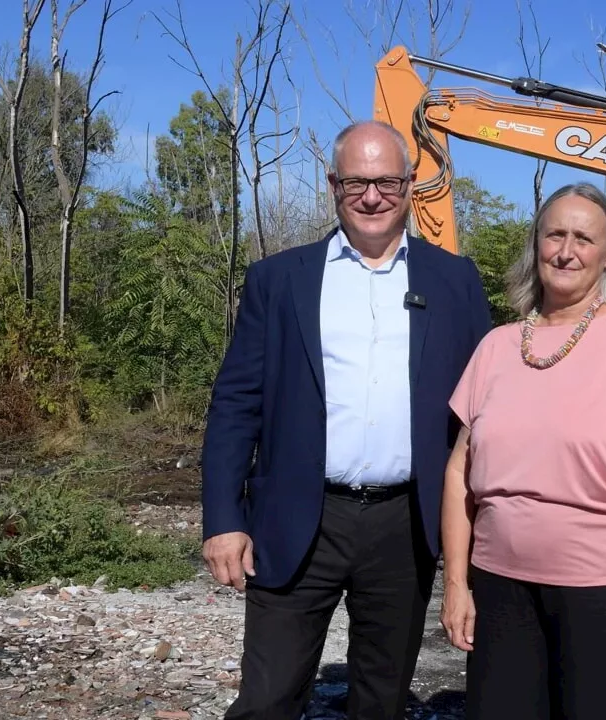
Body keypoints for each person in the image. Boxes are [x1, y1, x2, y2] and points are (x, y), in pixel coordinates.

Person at [200, 119, 492, 720]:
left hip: (405, 525)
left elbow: (485, 410)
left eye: (387, 181)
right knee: (268, 698)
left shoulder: (454, 281)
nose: (372, 195)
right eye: (357, 181)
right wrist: (224, 520)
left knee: (380, 702)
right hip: (299, 516)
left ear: (410, 185)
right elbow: (235, 404)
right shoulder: (279, 280)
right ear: (333, 184)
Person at [438, 182, 606, 720]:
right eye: (554, 234)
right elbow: (459, 471)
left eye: (584, 238)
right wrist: (457, 586)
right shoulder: (496, 347)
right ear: (536, 245)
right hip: (501, 589)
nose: (565, 250)